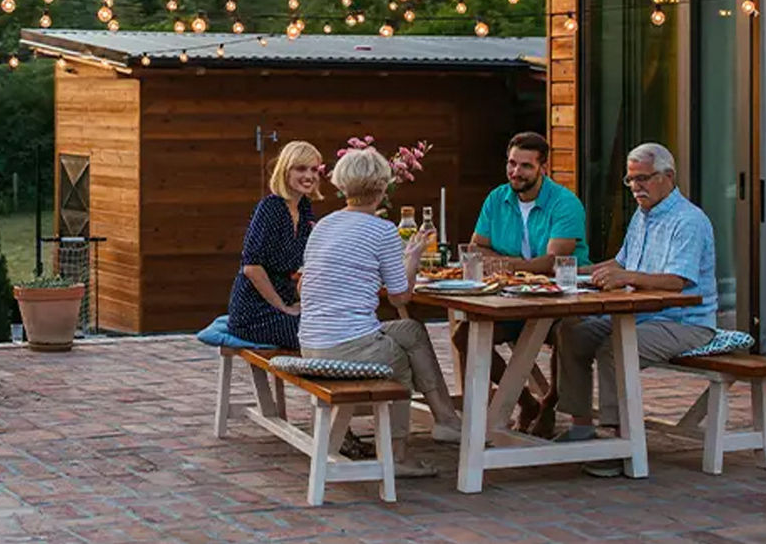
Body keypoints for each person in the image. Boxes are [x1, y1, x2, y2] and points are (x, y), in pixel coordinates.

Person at [555, 142, 717, 477]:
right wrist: (575, 270)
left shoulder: (688, 221)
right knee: (571, 330)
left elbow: (676, 281)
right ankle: (581, 427)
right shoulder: (643, 216)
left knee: (616, 347)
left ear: (668, 177)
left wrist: (625, 277)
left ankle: (619, 442)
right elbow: (623, 262)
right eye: (629, 180)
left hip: (685, 321)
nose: (635, 187)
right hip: (639, 316)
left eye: (643, 178)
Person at [299, 147, 463, 467]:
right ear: (383, 187)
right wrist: (412, 257)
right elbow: (400, 297)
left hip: (312, 344)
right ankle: (396, 459)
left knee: (411, 331)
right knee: (398, 359)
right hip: (346, 348)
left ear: (342, 185)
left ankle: (446, 419)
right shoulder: (382, 230)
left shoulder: (324, 225)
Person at [452, 131, 588, 434]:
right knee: (465, 336)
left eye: (525, 166)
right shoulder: (496, 198)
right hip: (512, 298)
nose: (516, 172)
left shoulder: (566, 204)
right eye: (512, 163)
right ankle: (526, 402)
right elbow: (477, 247)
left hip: (560, 299)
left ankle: (550, 403)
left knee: (568, 332)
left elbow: (552, 263)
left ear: (543, 167)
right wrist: (515, 268)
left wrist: (503, 264)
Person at [226, 140, 322, 349]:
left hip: (283, 301)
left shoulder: (305, 209)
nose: (309, 176)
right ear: (285, 171)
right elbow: (252, 268)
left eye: (314, 169)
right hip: (254, 311)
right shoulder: (271, 208)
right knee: (317, 336)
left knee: (330, 325)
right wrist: (283, 308)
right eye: (301, 168)